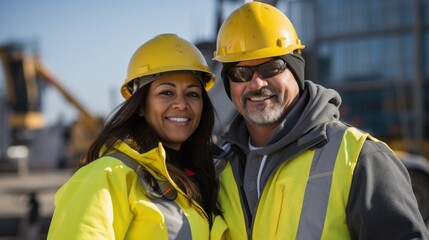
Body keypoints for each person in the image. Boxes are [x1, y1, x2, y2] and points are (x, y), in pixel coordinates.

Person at [210, 2, 429, 240]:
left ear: (295, 69)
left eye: (271, 67)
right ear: (229, 83)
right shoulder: (221, 167)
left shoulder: (360, 159)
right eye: (240, 73)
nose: (257, 84)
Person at [47, 33, 220, 239]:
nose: (181, 104)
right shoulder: (107, 175)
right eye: (166, 92)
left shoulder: (206, 175)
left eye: (192, 94)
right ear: (140, 106)